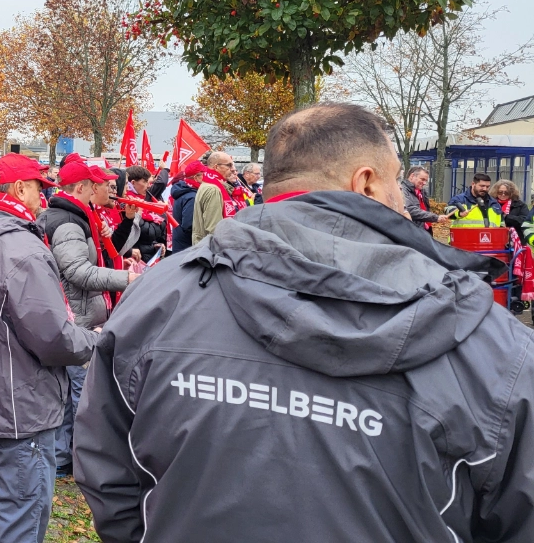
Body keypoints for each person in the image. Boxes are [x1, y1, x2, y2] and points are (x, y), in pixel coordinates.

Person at [75, 102, 534, 542]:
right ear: (366, 182)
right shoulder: (494, 345)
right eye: (396, 180)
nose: (403, 198)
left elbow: (107, 470)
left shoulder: (157, 296)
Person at [0, 153, 97, 543]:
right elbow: (54, 337)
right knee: (21, 514)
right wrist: (96, 341)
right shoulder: (22, 249)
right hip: (20, 408)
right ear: (19, 188)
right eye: (38, 189)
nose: (42, 199)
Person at [40, 160, 137, 478]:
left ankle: (65, 456)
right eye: (99, 184)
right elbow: (78, 271)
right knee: (81, 396)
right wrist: (127, 279)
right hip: (77, 320)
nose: (107, 188)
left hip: (78, 316)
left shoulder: (80, 216)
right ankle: (77, 460)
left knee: (73, 393)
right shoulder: (70, 223)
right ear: (82, 187)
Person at [191, 151, 243, 245]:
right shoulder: (213, 189)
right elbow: (215, 228)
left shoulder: (211, 184)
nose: (233, 169)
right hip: (213, 248)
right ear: (216, 167)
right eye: (229, 165)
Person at [118, 166, 167, 260]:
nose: (149, 186)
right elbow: (147, 233)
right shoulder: (127, 204)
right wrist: (161, 214)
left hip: (142, 255)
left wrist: (153, 245)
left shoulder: (139, 199)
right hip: (134, 258)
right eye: (145, 182)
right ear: (133, 183)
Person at [400, 166, 445, 231]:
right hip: (412, 231)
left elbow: (425, 210)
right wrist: (435, 217)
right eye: (422, 179)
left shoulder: (422, 192)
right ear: (412, 176)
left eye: (426, 180)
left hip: (423, 229)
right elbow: (410, 210)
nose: (424, 183)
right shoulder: (402, 190)